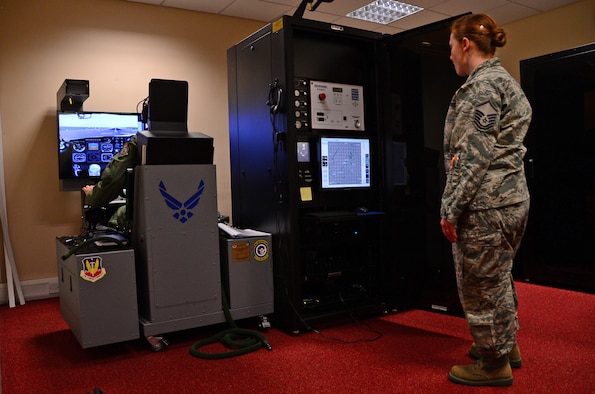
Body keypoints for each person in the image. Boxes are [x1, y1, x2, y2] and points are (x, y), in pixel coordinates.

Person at [439, 14, 532, 387]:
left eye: (450, 48)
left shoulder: (480, 89)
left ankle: (494, 364)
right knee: (499, 276)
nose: (449, 57)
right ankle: (505, 346)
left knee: (479, 284)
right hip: (512, 200)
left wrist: (450, 208)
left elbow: (472, 157)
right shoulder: (506, 83)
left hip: (485, 205)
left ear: (465, 45)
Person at [83, 135, 139, 230]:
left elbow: (113, 178)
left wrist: (93, 196)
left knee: (120, 216)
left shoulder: (138, 141)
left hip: (150, 211)